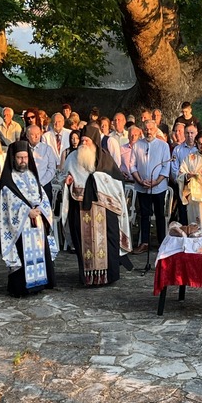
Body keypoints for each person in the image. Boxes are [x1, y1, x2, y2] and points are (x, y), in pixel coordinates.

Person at [59, 126, 133, 285]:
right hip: (79, 209)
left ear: (94, 142)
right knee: (83, 242)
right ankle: (87, 276)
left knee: (108, 241)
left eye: (87, 140)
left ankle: (109, 276)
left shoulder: (105, 159)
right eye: (82, 140)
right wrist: (67, 182)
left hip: (105, 211)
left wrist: (98, 180)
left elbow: (117, 184)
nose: (83, 144)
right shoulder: (72, 158)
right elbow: (62, 177)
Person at [0, 141, 58, 296]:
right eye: (19, 158)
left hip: (37, 222)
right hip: (20, 226)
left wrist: (41, 209)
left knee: (39, 252)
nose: (23, 161)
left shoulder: (32, 175)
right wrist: (26, 211)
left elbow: (42, 195)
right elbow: (8, 199)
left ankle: (39, 284)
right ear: (13, 158)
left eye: (25, 157)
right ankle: (22, 288)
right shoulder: (8, 178)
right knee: (23, 255)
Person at [131, 120, 171, 253]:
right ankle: (144, 242)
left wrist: (156, 181)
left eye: (151, 129)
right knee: (144, 214)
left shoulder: (163, 145)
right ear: (143, 130)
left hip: (158, 187)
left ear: (156, 129)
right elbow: (132, 165)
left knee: (159, 214)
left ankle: (161, 243)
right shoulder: (137, 145)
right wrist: (140, 180)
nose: (149, 132)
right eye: (146, 129)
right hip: (142, 185)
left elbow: (166, 166)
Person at [26, 124, 58, 205]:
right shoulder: (24, 149)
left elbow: (51, 168)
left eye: (38, 134)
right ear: (27, 136)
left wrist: (41, 183)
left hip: (44, 185)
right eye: (33, 134)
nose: (36, 137)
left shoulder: (47, 149)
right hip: (27, 187)